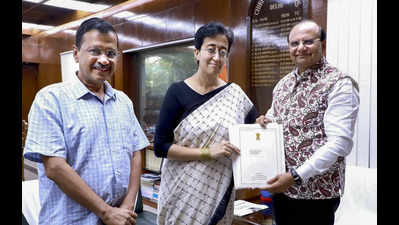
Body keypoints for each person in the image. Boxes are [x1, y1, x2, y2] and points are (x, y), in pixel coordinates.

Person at [23, 17, 149, 225]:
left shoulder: (123, 101)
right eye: (95, 51)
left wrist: (127, 207)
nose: (104, 59)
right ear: (75, 54)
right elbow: (54, 167)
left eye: (111, 53)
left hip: (119, 218)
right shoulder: (51, 99)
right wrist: (106, 212)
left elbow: (136, 152)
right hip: (71, 220)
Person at [256, 20, 360, 225]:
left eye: (308, 42)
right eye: (294, 43)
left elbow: (339, 143)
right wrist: (264, 121)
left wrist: (296, 176)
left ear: (323, 44)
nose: (300, 48)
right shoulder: (283, 84)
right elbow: (274, 118)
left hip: (316, 195)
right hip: (281, 187)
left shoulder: (339, 83)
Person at [154, 22, 258, 225]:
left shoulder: (235, 94)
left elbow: (253, 130)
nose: (217, 57)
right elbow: (161, 147)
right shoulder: (176, 92)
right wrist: (207, 152)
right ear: (197, 53)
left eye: (223, 51)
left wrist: (262, 123)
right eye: (211, 49)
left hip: (218, 193)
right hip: (181, 193)